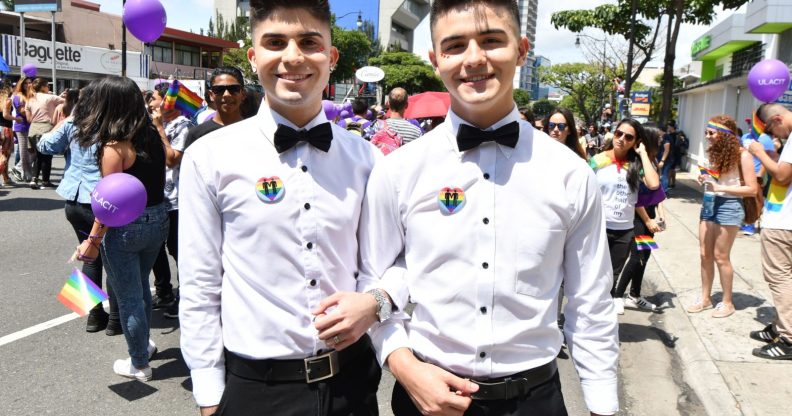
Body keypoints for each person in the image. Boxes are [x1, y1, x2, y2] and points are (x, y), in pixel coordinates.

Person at [320, 1, 619, 414]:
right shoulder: (399, 169)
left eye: (492, 41)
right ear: (436, 59)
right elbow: (374, 281)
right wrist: (403, 365)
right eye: (455, 45)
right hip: (425, 393)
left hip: (534, 399)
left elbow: (590, 302)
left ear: (522, 49)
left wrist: (603, 405)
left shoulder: (570, 173)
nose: (474, 59)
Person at [178, 1, 382, 414]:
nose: (293, 57)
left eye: (309, 42)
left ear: (331, 57)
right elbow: (200, 283)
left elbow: (387, 263)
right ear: (254, 58)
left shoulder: (367, 159)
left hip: (353, 383)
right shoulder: (209, 157)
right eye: (275, 42)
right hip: (257, 389)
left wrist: (377, 300)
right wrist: (207, 389)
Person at [72, 76, 168, 381]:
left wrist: (92, 240)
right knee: (139, 285)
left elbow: (109, 204)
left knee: (126, 295)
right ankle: (143, 346)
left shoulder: (114, 147)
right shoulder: (151, 133)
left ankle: (139, 363)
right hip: (158, 219)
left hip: (126, 228)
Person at [36, 87, 122, 334]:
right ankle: (115, 319)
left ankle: (94, 316)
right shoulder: (111, 124)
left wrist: (61, 123)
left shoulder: (73, 122)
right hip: (102, 200)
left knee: (88, 256)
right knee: (111, 258)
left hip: (73, 198)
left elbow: (45, 145)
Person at [688, 115, 759, 318]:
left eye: (712, 133)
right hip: (710, 202)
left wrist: (721, 187)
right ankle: (705, 298)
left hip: (729, 205)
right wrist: (704, 178)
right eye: (707, 133)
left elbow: (752, 189)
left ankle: (727, 302)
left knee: (721, 256)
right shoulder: (715, 153)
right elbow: (714, 180)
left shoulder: (742, 155)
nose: (707, 136)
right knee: (704, 254)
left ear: (726, 135)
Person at [589, 119, 660, 314]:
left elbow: (653, 184)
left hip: (624, 232)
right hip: (598, 228)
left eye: (629, 137)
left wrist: (643, 153)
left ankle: (602, 319)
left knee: (611, 277)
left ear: (636, 141)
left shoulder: (636, 165)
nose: (621, 139)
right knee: (592, 276)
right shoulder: (597, 160)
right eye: (619, 133)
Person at [747, 104, 792, 359]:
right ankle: (780, 327)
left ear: (777, 118)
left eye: (771, 128)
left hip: (784, 222)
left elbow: (783, 176)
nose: (775, 134)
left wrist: (758, 152)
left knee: (780, 278)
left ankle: (787, 339)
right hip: (782, 217)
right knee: (785, 278)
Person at [147, 82, 192, 317]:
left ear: (168, 102)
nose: (151, 103)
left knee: (178, 251)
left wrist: (160, 131)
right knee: (156, 249)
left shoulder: (183, 126)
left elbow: (172, 159)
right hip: (158, 198)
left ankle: (185, 298)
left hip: (177, 200)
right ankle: (164, 291)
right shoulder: (160, 123)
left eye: (154, 98)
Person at [614, 124, 665, 311]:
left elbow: (659, 193)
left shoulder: (652, 161)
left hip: (650, 219)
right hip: (640, 219)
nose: (661, 141)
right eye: (658, 138)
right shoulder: (638, 163)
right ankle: (618, 296)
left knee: (646, 254)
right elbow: (637, 199)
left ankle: (635, 295)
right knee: (636, 257)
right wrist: (648, 220)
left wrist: (660, 216)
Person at [183, 66, 246, 150]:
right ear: (211, 95)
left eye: (233, 89)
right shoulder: (196, 134)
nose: (226, 94)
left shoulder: (256, 132)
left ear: (243, 94)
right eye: (219, 89)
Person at [739, 118, 776, 236]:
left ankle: (751, 224)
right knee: (744, 198)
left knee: (756, 199)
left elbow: (770, 157)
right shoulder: (745, 137)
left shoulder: (765, 138)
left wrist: (760, 173)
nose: (750, 127)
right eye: (749, 124)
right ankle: (745, 220)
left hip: (756, 173)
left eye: (753, 125)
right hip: (744, 173)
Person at [26, 78, 65, 189]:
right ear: (43, 87)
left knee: (38, 156)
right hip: (46, 128)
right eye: (47, 86)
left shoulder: (30, 99)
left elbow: (29, 119)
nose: (49, 88)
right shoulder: (50, 97)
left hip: (33, 130)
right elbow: (66, 102)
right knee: (46, 157)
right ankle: (45, 181)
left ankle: (34, 179)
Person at [8, 78, 32, 184]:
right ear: (21, 85)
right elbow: (22, 112)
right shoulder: (17, 96)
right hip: (21, 126)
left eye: (29, 82)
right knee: (23, 151)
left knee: (33, 151)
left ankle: (18, 168)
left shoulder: (31, 95)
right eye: (25, 83)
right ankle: (26, 173)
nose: (28, 85)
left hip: (31, 125)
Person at [657, 121, 677, 192]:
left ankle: (664, 191)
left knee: (664, 175)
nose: (657, 132)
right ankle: (662, 190)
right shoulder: (663, 137)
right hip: (665, 159)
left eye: (657, 130)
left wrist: (662, 160)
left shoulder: (666, 137)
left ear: (660, 130)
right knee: (662, 174)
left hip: (667, 160)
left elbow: (666, 150)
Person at [0, 81, 14, 186]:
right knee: (5, 155)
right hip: (6, 129)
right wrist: (16, 118)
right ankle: (5, 178)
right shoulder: (7, 100)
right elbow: (5, 115)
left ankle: (6, 178)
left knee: (2, 154)